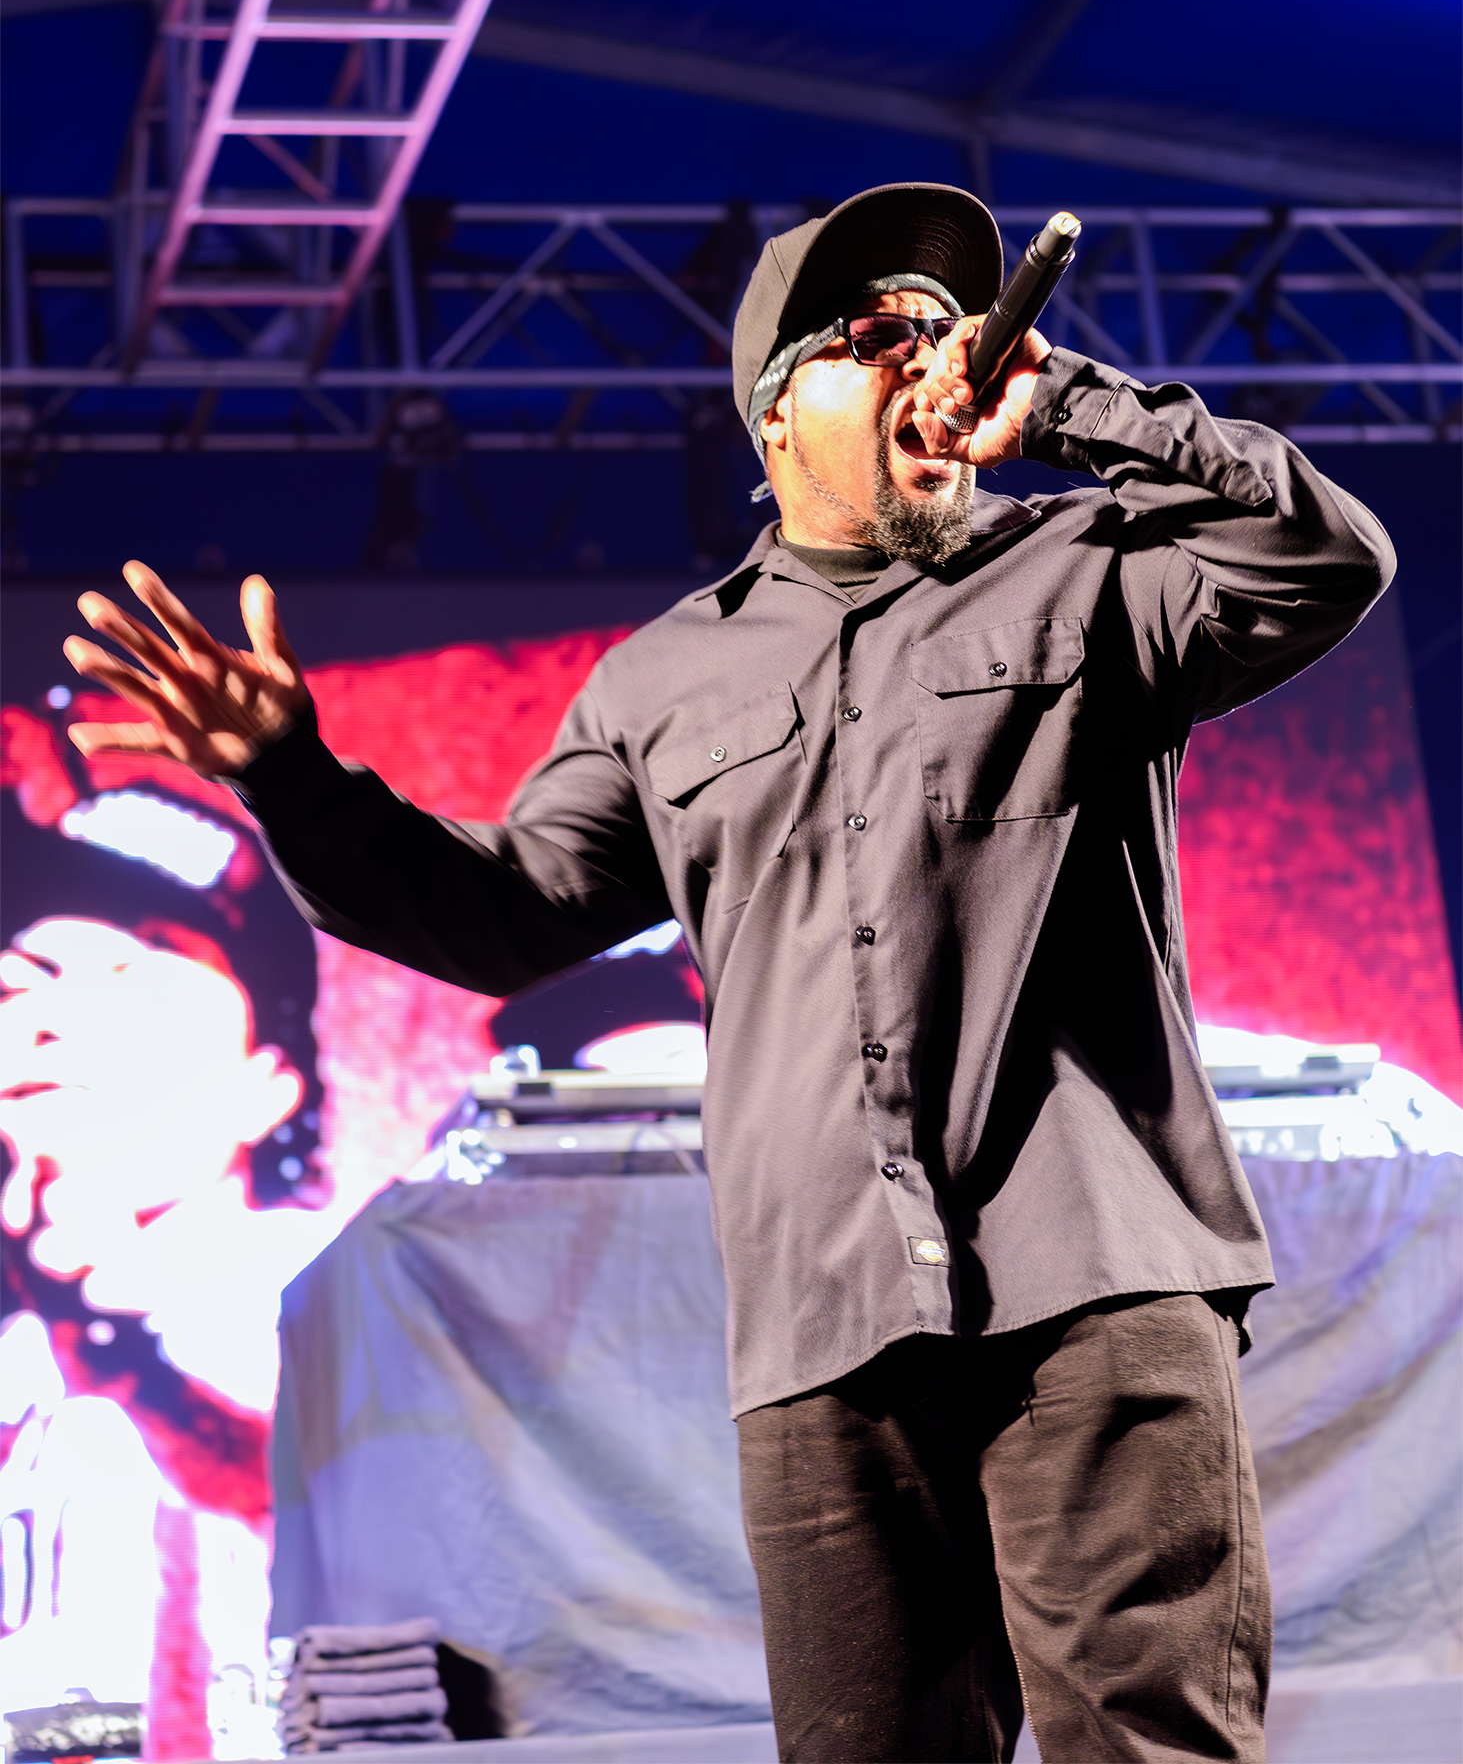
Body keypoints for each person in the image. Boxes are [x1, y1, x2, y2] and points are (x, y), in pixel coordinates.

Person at [62, 183, 1394, 1763]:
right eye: (881, 338)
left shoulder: (1089, 571)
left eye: (953, 333)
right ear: (776, 409)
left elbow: (1324, 558)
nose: (936, 361)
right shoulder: (663, 682)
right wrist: (290, 776)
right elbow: (504, 915)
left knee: (1148, 1746)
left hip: (1095, 1281)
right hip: (826, 1325)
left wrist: (1077, 408)